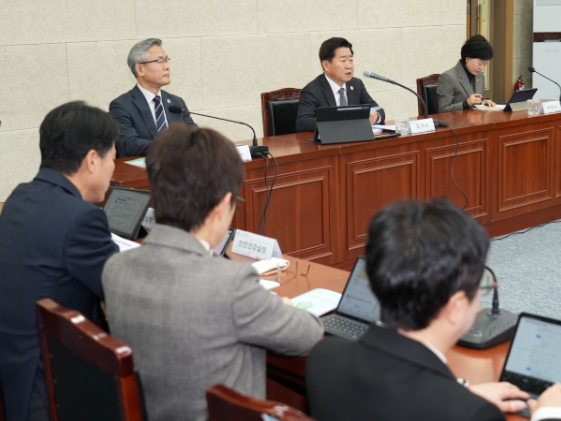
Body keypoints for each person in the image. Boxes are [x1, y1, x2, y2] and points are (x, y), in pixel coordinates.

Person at [102, 124, 324, 421]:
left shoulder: (115, 269)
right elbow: (308, 335)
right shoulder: (229, 283)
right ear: (221, 207)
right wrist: (281, 306)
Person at [306, 199, 561, 421]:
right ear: (455, 307)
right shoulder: (470, 413)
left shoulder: (325, 356)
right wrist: (552, 415)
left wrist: (460, 391)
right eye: (481, 288)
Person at [0, 102, 120, 421]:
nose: (113, 167)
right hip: (50, 384)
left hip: (15, 368)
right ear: (92, 160)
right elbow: (121, 289)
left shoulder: (20, 197)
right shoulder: (81, 217)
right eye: (112, 157)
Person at [109, 38, 196, 157]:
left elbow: (194, 135)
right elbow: (129, 144)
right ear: (140, 69)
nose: (167, 67)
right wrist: (171, 146)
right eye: (160, 61)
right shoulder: (122, 106)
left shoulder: (176, 102)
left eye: (166, 60)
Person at [296, 37, 385, 132]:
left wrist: (376, 116)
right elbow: (302, 123)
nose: (349, 66)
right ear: (326, 65)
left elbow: (378, 110)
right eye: (343, 61)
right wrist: (339, 119)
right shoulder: (313, 90)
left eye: (351, 60)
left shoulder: (356, 84)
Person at [437, 35, 498, 113]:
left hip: (476, 119)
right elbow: (442, 110)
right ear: (467, 58)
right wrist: (465, 103)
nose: (481, 68)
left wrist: (484, 102)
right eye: (480, 63)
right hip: (458, 120)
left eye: (485, 64)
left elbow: (479, 100)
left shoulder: (480, 76)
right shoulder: (448, 77)